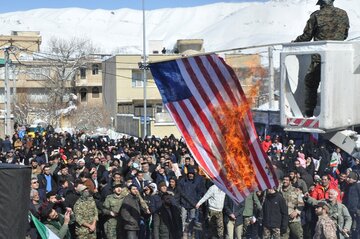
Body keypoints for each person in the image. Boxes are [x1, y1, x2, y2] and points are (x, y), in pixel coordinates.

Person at [293, 0, 350, 117]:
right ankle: (337, 112)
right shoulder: (343, 14)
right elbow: (345, 35)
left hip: (319, 58)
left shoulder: (316, 15)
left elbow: (306, 37)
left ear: (321, 3)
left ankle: (309, 113)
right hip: (337, 57)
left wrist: (295, 42)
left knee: (311, 82)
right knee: (336, 85)